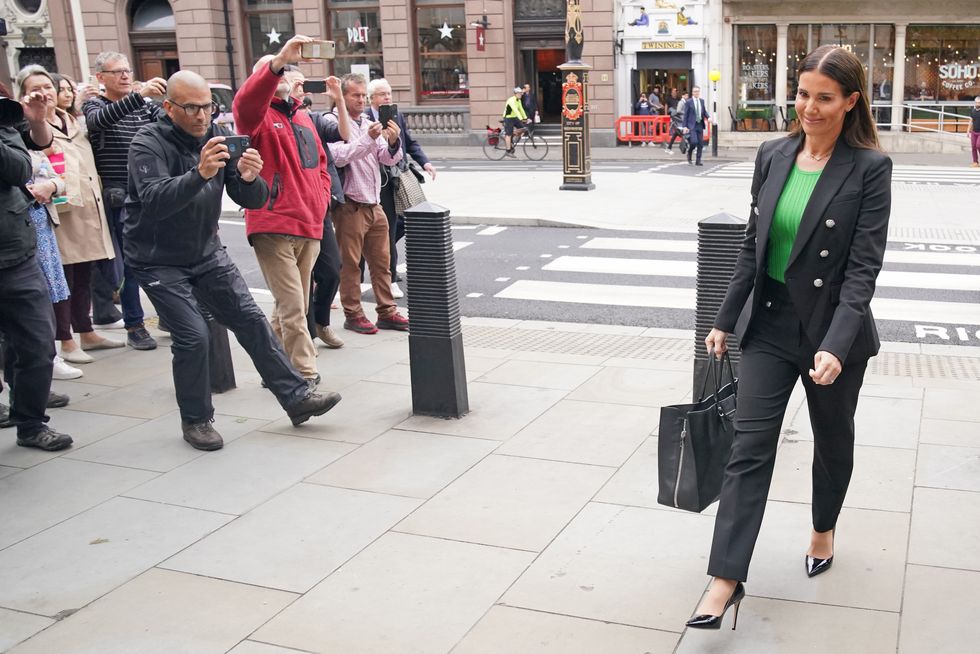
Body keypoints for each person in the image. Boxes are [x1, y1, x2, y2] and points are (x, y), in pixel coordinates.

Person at [687, 45, 892, 630]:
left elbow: (862, 270)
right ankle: (725, 579)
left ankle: (822, 528)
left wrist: (836, 342)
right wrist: (726, 318)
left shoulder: (869, 169)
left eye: (824, 98)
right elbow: (753, 245)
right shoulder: (773, 155)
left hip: (832, 335)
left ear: (850, 102)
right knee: (750, 450)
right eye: (803, 94)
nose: (809, 107)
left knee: (833, 443)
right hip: (771, 325)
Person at [124, 70, 342, 451]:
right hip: (157, 257)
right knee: (193, 336)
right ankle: (197, 420)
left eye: (207, 106)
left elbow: (251, 199)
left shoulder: (215, 137)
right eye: (191, 108)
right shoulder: (147, 142)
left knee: (251, 318)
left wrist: (249, 177)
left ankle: (295, 398)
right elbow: (155, 200)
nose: (201, 115)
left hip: (205, 250)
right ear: (170, 107)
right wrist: (199, 173)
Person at [233, 37, 333, 386]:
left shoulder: (303, 117)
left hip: (309, 222)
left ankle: (271, 366)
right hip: (273, 224)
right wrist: (276, 62)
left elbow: (321, 164)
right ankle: (305, 374)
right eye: (276, 74)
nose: (285, 78)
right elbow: (246, 103)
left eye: (286, 73)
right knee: (294, 309)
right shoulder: (256, 118)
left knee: (289, 304)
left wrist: (320, 200)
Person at [18, 66, 124, 366]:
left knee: (83, 273)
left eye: (48, 86)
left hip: (86, 206)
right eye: (35, 87)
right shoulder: (26, 128)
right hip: (56, 210)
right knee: (60, 277)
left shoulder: (72, 121)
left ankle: (86, 330)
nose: (44, 92)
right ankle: (64, 340)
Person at [0, 80, 74, 451]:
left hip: (16, 255)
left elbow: (19, 168)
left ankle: (29, 422)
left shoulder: (4, 125)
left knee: (37, 344)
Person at [83, 51, 166, 350]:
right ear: (100, 78)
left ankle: (169, 316)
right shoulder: (95, 105)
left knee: (165, 258)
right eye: (117, 72)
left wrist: (170, 103)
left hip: (151, 191)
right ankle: (134, 324)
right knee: (132, 265)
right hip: (120, 196)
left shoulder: (143, 106)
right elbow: (98, 121)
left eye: (127, 70)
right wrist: (140, 95)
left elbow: (167, 123)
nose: (125, 76)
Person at [324, 73, 409, 335]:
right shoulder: (331, 122)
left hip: (374, 203)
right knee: (350, 264)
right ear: (343, 97)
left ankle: (387, 311)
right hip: (350, 205)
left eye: (363, 96)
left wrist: (394, 142)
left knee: (382, 263)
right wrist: (369, 139)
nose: (361, 100)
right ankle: (353, 314)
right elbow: (339, 156)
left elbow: (387, 159)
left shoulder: (369, 122)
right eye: (355, 95)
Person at [363, 78, 436, 299]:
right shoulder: (364, 118)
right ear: (372, 98)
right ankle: (390, 277)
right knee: (385, 228)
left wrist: (425, 162)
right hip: (376, 180)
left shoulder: (396, 115)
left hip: (398, 176)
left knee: (402, 224)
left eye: (389, 93)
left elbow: (409, 142)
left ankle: (381, 258)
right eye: (383, 94)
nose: (388, 98)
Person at [682, 85, 710, 166]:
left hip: (700, 124)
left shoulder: (702, 101)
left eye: (698, 91)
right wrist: (685, 126)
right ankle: (689, 154)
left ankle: (698, 160)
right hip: (692, 125)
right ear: (692, 92)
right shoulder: (689, 102)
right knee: (694, 142)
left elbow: (704, 112)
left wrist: (708, 117)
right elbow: (685, 115)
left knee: (700, 144)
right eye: (695, 91)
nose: (696, 93)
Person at [502, 86, 527, 157]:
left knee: (523, 129)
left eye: (521, 93)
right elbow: (516, 110)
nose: (521, 95)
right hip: (508, 118)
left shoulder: (519, 100)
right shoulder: (511, 100)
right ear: (516, 93)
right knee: (508, 134)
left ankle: (512, 139)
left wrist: (525, 118)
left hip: (514, 117)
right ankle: (508, 150)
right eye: (520, 93)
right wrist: (521, 119)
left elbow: (521, 109)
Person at [969, 96, 980, 167]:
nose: (977, 104)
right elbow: (971, 121)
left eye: (979, 102)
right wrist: (968, 131)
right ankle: (975, 161)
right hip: (974, 132)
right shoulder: (973, 111)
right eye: (976, 102)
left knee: (978, 145)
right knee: (973, 146)